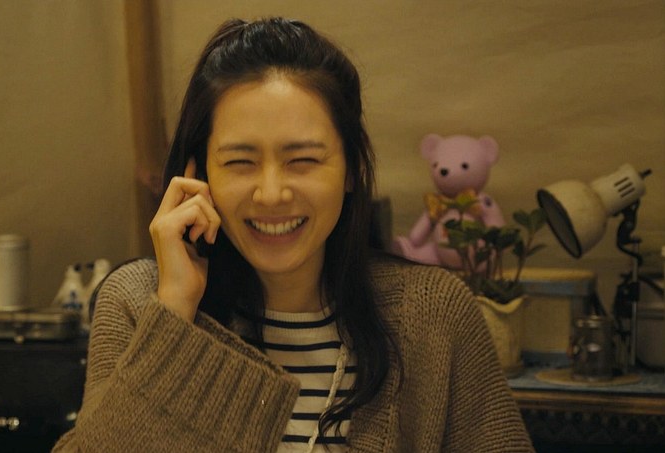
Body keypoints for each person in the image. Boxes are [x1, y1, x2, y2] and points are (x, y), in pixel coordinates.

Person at [53, 17, 533, 453]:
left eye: (302, 160)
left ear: (350, 169)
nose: (271, 194)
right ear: (198, 174)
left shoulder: (435, 314)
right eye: (240, 162)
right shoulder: (138, 303)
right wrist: (175, 314)